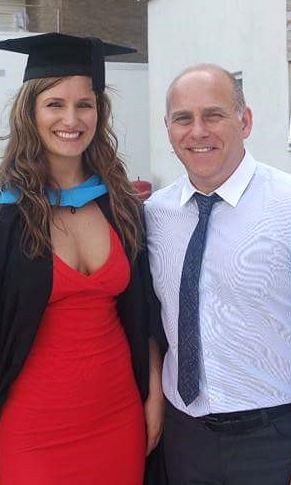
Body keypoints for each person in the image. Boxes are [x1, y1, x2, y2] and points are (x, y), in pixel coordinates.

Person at [0, 32, 164, 485]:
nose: (71, 119)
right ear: (30, 112)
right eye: (55, 104)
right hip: (32, 429)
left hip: (118, 416)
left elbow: (145, 309)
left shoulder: (120, 206)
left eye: (85, 104)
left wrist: (153, 394)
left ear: (100, 112)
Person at [144, 63, 291, 485]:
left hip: (274, 439)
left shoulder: (285, 204)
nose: (198, 131)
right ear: (168, 129)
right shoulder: (154, 215)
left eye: (214, 115)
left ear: (244, 121)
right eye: (183, 119)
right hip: (185, 438)